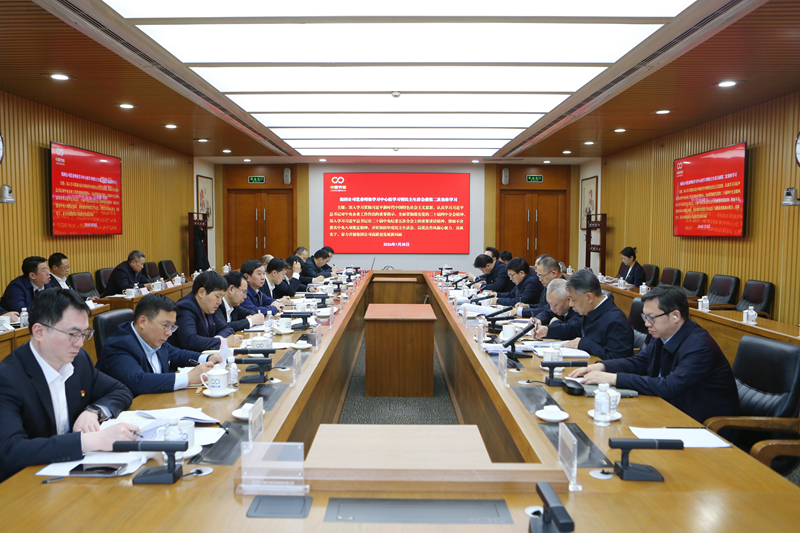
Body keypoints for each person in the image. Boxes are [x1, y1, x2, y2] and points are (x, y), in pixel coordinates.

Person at [0, 289, 138, 482]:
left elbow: (120, 390)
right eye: (73, 334)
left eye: (84, 334)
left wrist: (93, 411)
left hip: (70, 476)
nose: (80, 343)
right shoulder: (7, 378)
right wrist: (89, 441)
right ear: (39, 331)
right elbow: (9, 451)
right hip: (25, 483)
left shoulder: (79, 361)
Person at [569, 286, 740, 422]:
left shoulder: (699, 346)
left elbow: (669, 386)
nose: (646, 324)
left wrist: (614, 378)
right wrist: (602, 366)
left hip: (703, 424)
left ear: (675, 316)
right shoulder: (663, 334)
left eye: (651, 318)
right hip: (671, 409)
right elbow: (641, 361)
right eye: (645, 317)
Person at [98, 294, 221, 396]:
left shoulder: (154, 339)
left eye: (172, 326)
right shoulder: (119, 345)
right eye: (166, 325)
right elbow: (138, 381)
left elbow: (177, 354)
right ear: (143, 322)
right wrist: (189, 377)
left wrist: (208, 358)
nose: (169, 333)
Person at [536, 269, 633, 360]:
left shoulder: (616, 321)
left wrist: (584, 344)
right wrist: (548, 330)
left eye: (573, 299)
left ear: (589, 297)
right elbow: (573, 329)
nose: (571, 304)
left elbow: (618, 360)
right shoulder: (592, 310)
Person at [170, 271, 242, 352]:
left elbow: (226, 328)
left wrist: (218, 340)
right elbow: (189, 340)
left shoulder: (207, 308)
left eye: (222, 297)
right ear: (201, 292)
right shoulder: (185, 307)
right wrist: (222, 342)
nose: (219, 302)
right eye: (217, 296)